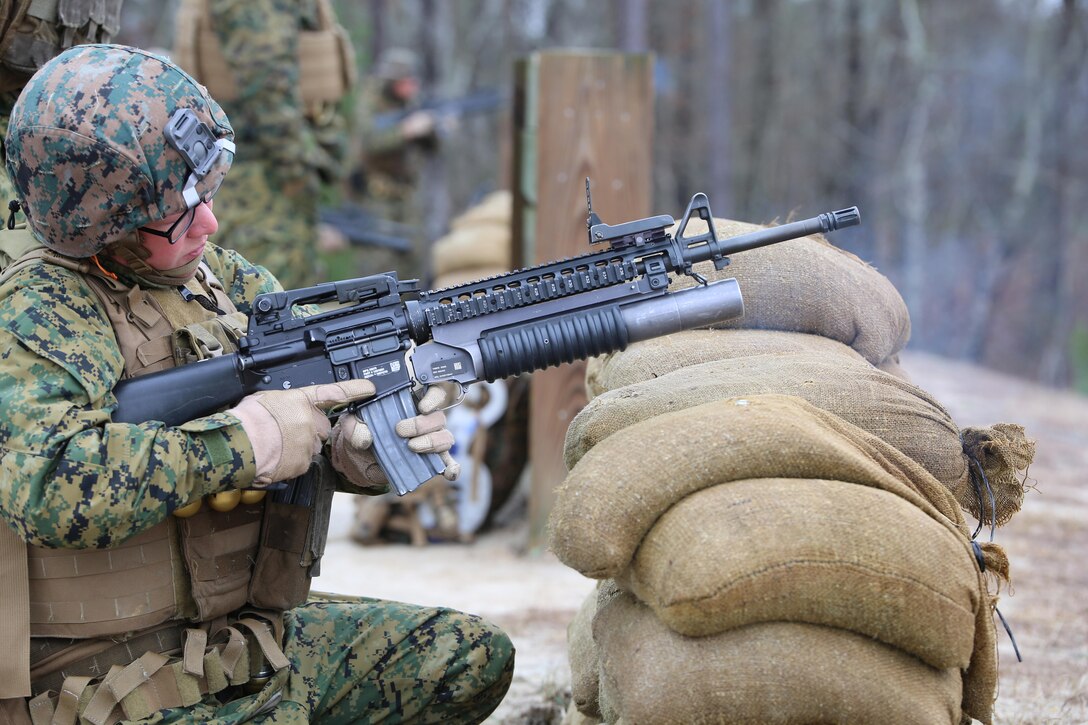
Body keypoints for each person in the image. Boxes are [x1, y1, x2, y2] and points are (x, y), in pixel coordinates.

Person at [0, 44, 513, 723]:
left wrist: (351, 449)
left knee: (468, 657)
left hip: (239, 645)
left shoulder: (225, 283)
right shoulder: (39, 307)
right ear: (105, 220)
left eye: (208, 194)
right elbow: (44, 484)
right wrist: (246, 441)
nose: (209, 224)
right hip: (104, 683)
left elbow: (317, 402)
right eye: (181, 211)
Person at [172, 0, 356, 290]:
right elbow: (267, 88)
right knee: (273, 306)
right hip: (263, 181)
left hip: (253, 173)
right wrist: (302, 167)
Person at [350, 46, 444, 283]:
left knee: (414, 260)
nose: (410, 87)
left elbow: (432, 147)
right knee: (378, 267)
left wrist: (434, 128)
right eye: (404, 81)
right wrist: (406, 131)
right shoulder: (370, 100)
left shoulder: (412, 102)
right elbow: (369, 140)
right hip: (377, 196)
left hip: (407, 195)